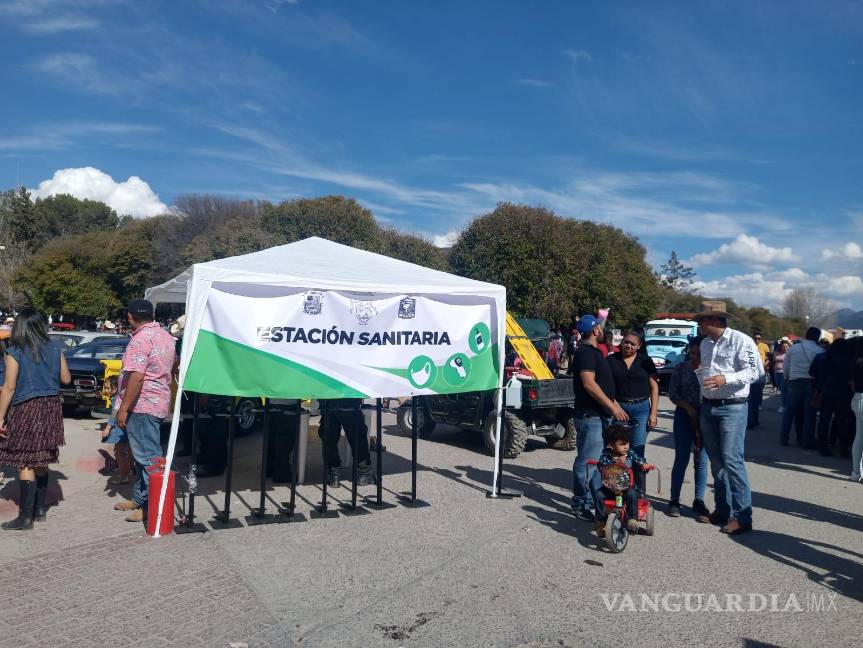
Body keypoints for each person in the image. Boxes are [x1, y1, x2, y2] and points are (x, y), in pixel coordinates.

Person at [694, 301, 763, 535]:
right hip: (709, 406)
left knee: (732, 461)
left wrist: (725, 379)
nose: (699, 324)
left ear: (713, 320)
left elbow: (755, 372)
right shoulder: (705, 343)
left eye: (702, 320)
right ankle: (722, 510)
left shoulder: (741, 340)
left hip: (732, 407)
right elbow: (706, 372)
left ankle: (743, 516)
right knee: (717, 462)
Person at [0, 307, 71, 530]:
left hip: (26, 408)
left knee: (26, 460)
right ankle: (40, 509)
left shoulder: (15, 351)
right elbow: (66, 379)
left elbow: (9, 387)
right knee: (41, 458)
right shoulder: (54, 348)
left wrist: (0, 416)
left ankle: (25, 517)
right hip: (50, 407)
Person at [112, 299, 177, 523]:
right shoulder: (165, 336)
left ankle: (150, 506)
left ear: (130, 316)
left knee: (147, 457)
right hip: (157, 401)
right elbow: (175, 364)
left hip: (142, 405)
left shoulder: (140, 340)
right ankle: (140, 499)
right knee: (144, 456)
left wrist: (124, 408)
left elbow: (137, 377)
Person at [570, 314, 628, 522]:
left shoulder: (594, 352)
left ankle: (595, 502)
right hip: (590, 416)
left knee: (598, 463)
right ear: (595, 331)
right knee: (587, 462)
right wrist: (611, 406)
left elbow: (601, 384)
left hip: (600, 416)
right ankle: (580, 503)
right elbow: (589, 383)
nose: (602, 331)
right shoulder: (586, 353)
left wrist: (615, 404)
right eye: (600, 327)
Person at [667, 336, 709, 519]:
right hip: (684, 416)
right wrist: (688, 408)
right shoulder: (681, 368)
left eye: (699, 353)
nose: (695, 356)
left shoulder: (710, 369)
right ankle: (674, 500)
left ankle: (698, 500)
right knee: (681, 458)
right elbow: (673, 393)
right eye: (692, 352)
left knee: (701, 460)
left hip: (705, 418)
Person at [606, 329, 659, 461]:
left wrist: (653, 414)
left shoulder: (646, 361)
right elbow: (605, 386)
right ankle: (620, 480)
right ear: (622, 342)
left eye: (633, 344)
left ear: (639, 346)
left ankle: (638, 481)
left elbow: (654, 387)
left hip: (641, 409)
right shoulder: (611, 360)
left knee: (637, 447)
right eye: (626, 342)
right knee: (618, 448)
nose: (628, 346)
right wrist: (614, 405)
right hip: (619, 409)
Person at [589, 422, 647, 534]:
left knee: (632, 494)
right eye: (622, 444)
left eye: (627, 443)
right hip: (610, 487)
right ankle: (601, 522)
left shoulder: (629, 453)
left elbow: (638, 459)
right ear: (611, 445)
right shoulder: (606, 454)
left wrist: (644, 464)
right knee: (598, 495)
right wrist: (615, 462)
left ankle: (632, 519)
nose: (626, 447)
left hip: (625, 487)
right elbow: (601, 463)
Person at [781, 327, 824, 448]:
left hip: (794, 382)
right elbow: (820, 370)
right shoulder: (819, 350)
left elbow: (786, 366)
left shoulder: (793, 348)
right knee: (809, 414)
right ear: (817, 337)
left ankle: (784, 438)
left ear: (806, 335)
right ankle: (806, 441)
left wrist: (787, 378)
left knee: (790, 412)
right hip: (811, 383)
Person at [809, 338, 852, 457]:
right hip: (843, 394)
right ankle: (844, 449)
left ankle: (823, 447)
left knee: (824, 420)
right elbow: (850, 378)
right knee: (842, 421)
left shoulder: (820, 357)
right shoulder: (848, 359)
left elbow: (812, 373)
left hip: (824, 393)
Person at [320, 398, 374, 488]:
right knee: (353, 434)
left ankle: (334, 473)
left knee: (329, 434)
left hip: (331, 396)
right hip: (345, 396)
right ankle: (364, 472)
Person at [100, 374, 134, 484]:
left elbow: (114, 414)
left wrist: (107, 428)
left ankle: (124, 477)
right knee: (129, 452)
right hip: (128, 427)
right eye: (105, 388)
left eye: (108, 388)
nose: (106, 390)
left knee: (119, 453)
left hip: (119, 429)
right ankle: (129, 472)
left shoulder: (117, 399)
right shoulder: (126, 397)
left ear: (115, 387)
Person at [747, 333, 770, 429]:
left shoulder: (761, 349)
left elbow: (762, 366)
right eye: (755, 338)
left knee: (754, 402)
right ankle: (751, 421)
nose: (757, 340)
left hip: (756, 379)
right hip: (748, 380)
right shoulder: (747, 348)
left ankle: (753, 421)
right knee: (750, 402)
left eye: (758, 338)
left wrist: (762, 378)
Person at [850, 337, 863, 482]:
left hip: (857, 398)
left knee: (859, 437)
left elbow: (852, 385)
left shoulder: (855, 363)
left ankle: (856, 472)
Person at [772, 338, 790, 413]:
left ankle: (783, 406)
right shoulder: (776, 352)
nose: (785, 348)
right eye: (783, 346)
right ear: (781, 347)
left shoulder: (789, 353)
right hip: (777, 373)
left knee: (783, 390)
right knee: (780, 388)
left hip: (784, 373)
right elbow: (774, 361)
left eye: (786, 346)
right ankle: (786, 404)